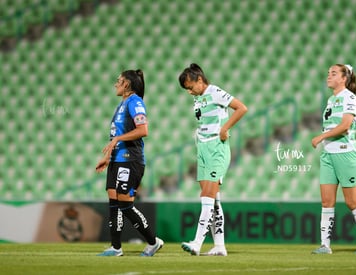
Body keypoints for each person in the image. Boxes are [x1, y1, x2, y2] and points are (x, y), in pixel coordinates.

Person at [178, 63, 248, 256]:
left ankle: (197, 243)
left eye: (190, 87)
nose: (189, 92)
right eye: (187, 90)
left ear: (199, 80)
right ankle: (219, 245)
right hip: (202, 148)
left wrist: (225, 128)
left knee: (207, 197)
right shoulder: (198, 98)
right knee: (214, 200)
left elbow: (241, 108)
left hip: (217, 149)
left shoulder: (214, 91)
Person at [95, 69, 163, 256]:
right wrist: (108, 156)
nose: (116, 84)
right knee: (113, 202)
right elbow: (116, 134)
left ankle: (153, 241)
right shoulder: (122, 104)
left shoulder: (135, 102)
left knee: (125, 205)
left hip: (130, 159)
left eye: (119, 80)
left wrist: (117, 140)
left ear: (127, 84)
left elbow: (143, 130)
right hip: (116, 159)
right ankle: (116, 247)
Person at [311, 64, 356, 254]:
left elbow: (346, 126)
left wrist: (321, 136)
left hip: (346, 154)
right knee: (326, 201)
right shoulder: (332, 99)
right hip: (328, 155)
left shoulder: (350, 98)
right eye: (328, 72)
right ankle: (325, 245)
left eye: (333, 73)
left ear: (344, 78)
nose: (328, 76)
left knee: (352, 201)